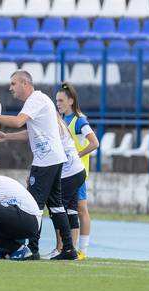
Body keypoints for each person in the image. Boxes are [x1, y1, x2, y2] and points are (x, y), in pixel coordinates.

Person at [0, 70, 77, 260]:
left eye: (13, 84)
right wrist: (7, 136)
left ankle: (32, 249)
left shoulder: (35, 100)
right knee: (56, 205)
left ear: (25, 83)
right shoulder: (39, 100)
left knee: (33, 205)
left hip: (46, 160)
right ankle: (69, 249)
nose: (11, 88)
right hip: (53, 158)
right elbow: (32, 132)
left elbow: (18, 122)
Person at [57, 82, 99, 260]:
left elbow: (94, 142)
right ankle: (65, 247)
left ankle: (82, 250)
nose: (57, 103)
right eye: (56, 100)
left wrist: (77, 154)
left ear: (71, 101)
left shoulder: (79, 120)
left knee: (81, 209)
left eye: (61, 100)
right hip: (63, 171)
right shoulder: (59, 118)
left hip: (76, 172)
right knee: (67, 208)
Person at [43, 114, 86, 259]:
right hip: (78, 171)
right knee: (70, 211)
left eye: (61, 100)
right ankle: (71, 249)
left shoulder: (52, 127)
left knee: (57, 208)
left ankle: (61, 248)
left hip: (69, 173)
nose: (58, 104)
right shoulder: (61, 124)